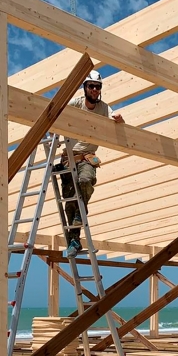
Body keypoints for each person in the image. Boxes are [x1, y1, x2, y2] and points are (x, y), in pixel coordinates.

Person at [60, 70, 125, 259]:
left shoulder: (104, 108)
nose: (95, 90)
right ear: (85, 88)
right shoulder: (76, 103)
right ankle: (74, 241)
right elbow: (60, 111)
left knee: (86, 179)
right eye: (91, 86)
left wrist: (119, 120)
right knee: (70, 202)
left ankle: (82, 213)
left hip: (87, 157)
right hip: (69, 158)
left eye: (97, 87)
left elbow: (116, 120)